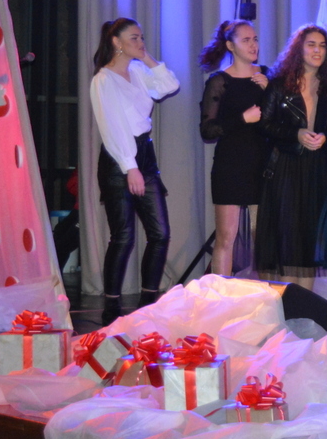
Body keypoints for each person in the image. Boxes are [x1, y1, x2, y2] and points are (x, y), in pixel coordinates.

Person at [90, 17, 180, 325]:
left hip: (145, 154)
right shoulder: (103, 80)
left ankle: (147, 303)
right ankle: (112, 306)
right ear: (116, 42)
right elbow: (112, 128)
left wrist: (148, 58)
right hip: (119, 160)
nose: (140, 42)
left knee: (160, 233)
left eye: (141, 37)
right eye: (134, 38)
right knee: (123, 236)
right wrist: (130, 168)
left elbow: (169, 86)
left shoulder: (139, 71)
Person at [255, 25, 327, 291]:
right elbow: (264, 125)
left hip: (317, 168)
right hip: (286, 167)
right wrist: (296, 134)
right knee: (286, 238)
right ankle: (285, 306)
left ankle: (304, 306)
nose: (317, 50)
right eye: (311, 44)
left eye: (322, 45)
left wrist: (325, 137)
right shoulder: (279, 85)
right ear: (299, 49)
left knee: (310, 240)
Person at [198, 20, 269, 276]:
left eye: (255, 39)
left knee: (263, 238)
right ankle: (222, 294)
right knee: (226, 237)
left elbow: (283, 120)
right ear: (231, 45)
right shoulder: (219, 81)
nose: (253, 45)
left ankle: (265, 294)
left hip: (263, 164)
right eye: (246, 40)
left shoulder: (267, 76)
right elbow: (207, 130)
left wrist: (270, 91)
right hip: (230, 165)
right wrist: (242, 119)